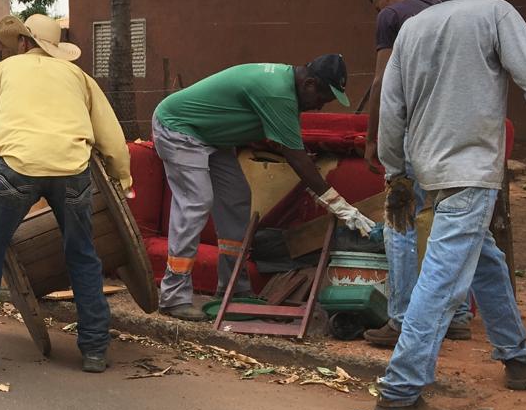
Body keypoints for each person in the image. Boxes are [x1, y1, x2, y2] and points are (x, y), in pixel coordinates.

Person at [374, 0, 526, 410]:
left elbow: (391, 104)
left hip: (425, 170)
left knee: (485, 262)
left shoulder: (413, 28)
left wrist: (394, 170)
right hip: (469, 171)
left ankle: (516, 356)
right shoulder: (496, 13)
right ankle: (401, 390)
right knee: (442, 281)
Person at [0, 14, 131, 374]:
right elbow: (111, 137)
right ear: (56, 50)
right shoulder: (79, 77)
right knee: (83, 256)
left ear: (22, 42)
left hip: (17, 167)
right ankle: (95, 350)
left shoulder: (4, 72)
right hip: (71, 171)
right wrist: (122, 179)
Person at [151, 55, 375, 321]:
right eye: (322, 99)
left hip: (210, 137)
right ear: (310, 84)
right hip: (179, 128)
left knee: (237, 198)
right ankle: (173, 296)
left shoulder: (286, 86)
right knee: (196, 202)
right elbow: (297, 158)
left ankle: (232, 288)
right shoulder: (279, 94)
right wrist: (342, 208)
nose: (318, 107)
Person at [361, 0, 473, 346]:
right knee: (446, 224)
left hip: (412, 131)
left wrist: (373, 137)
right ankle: (456, 315)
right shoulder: (445, 10)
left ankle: (402, 318)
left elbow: (382, 82)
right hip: (452, 134)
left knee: (402, 221)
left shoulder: (392, 17)